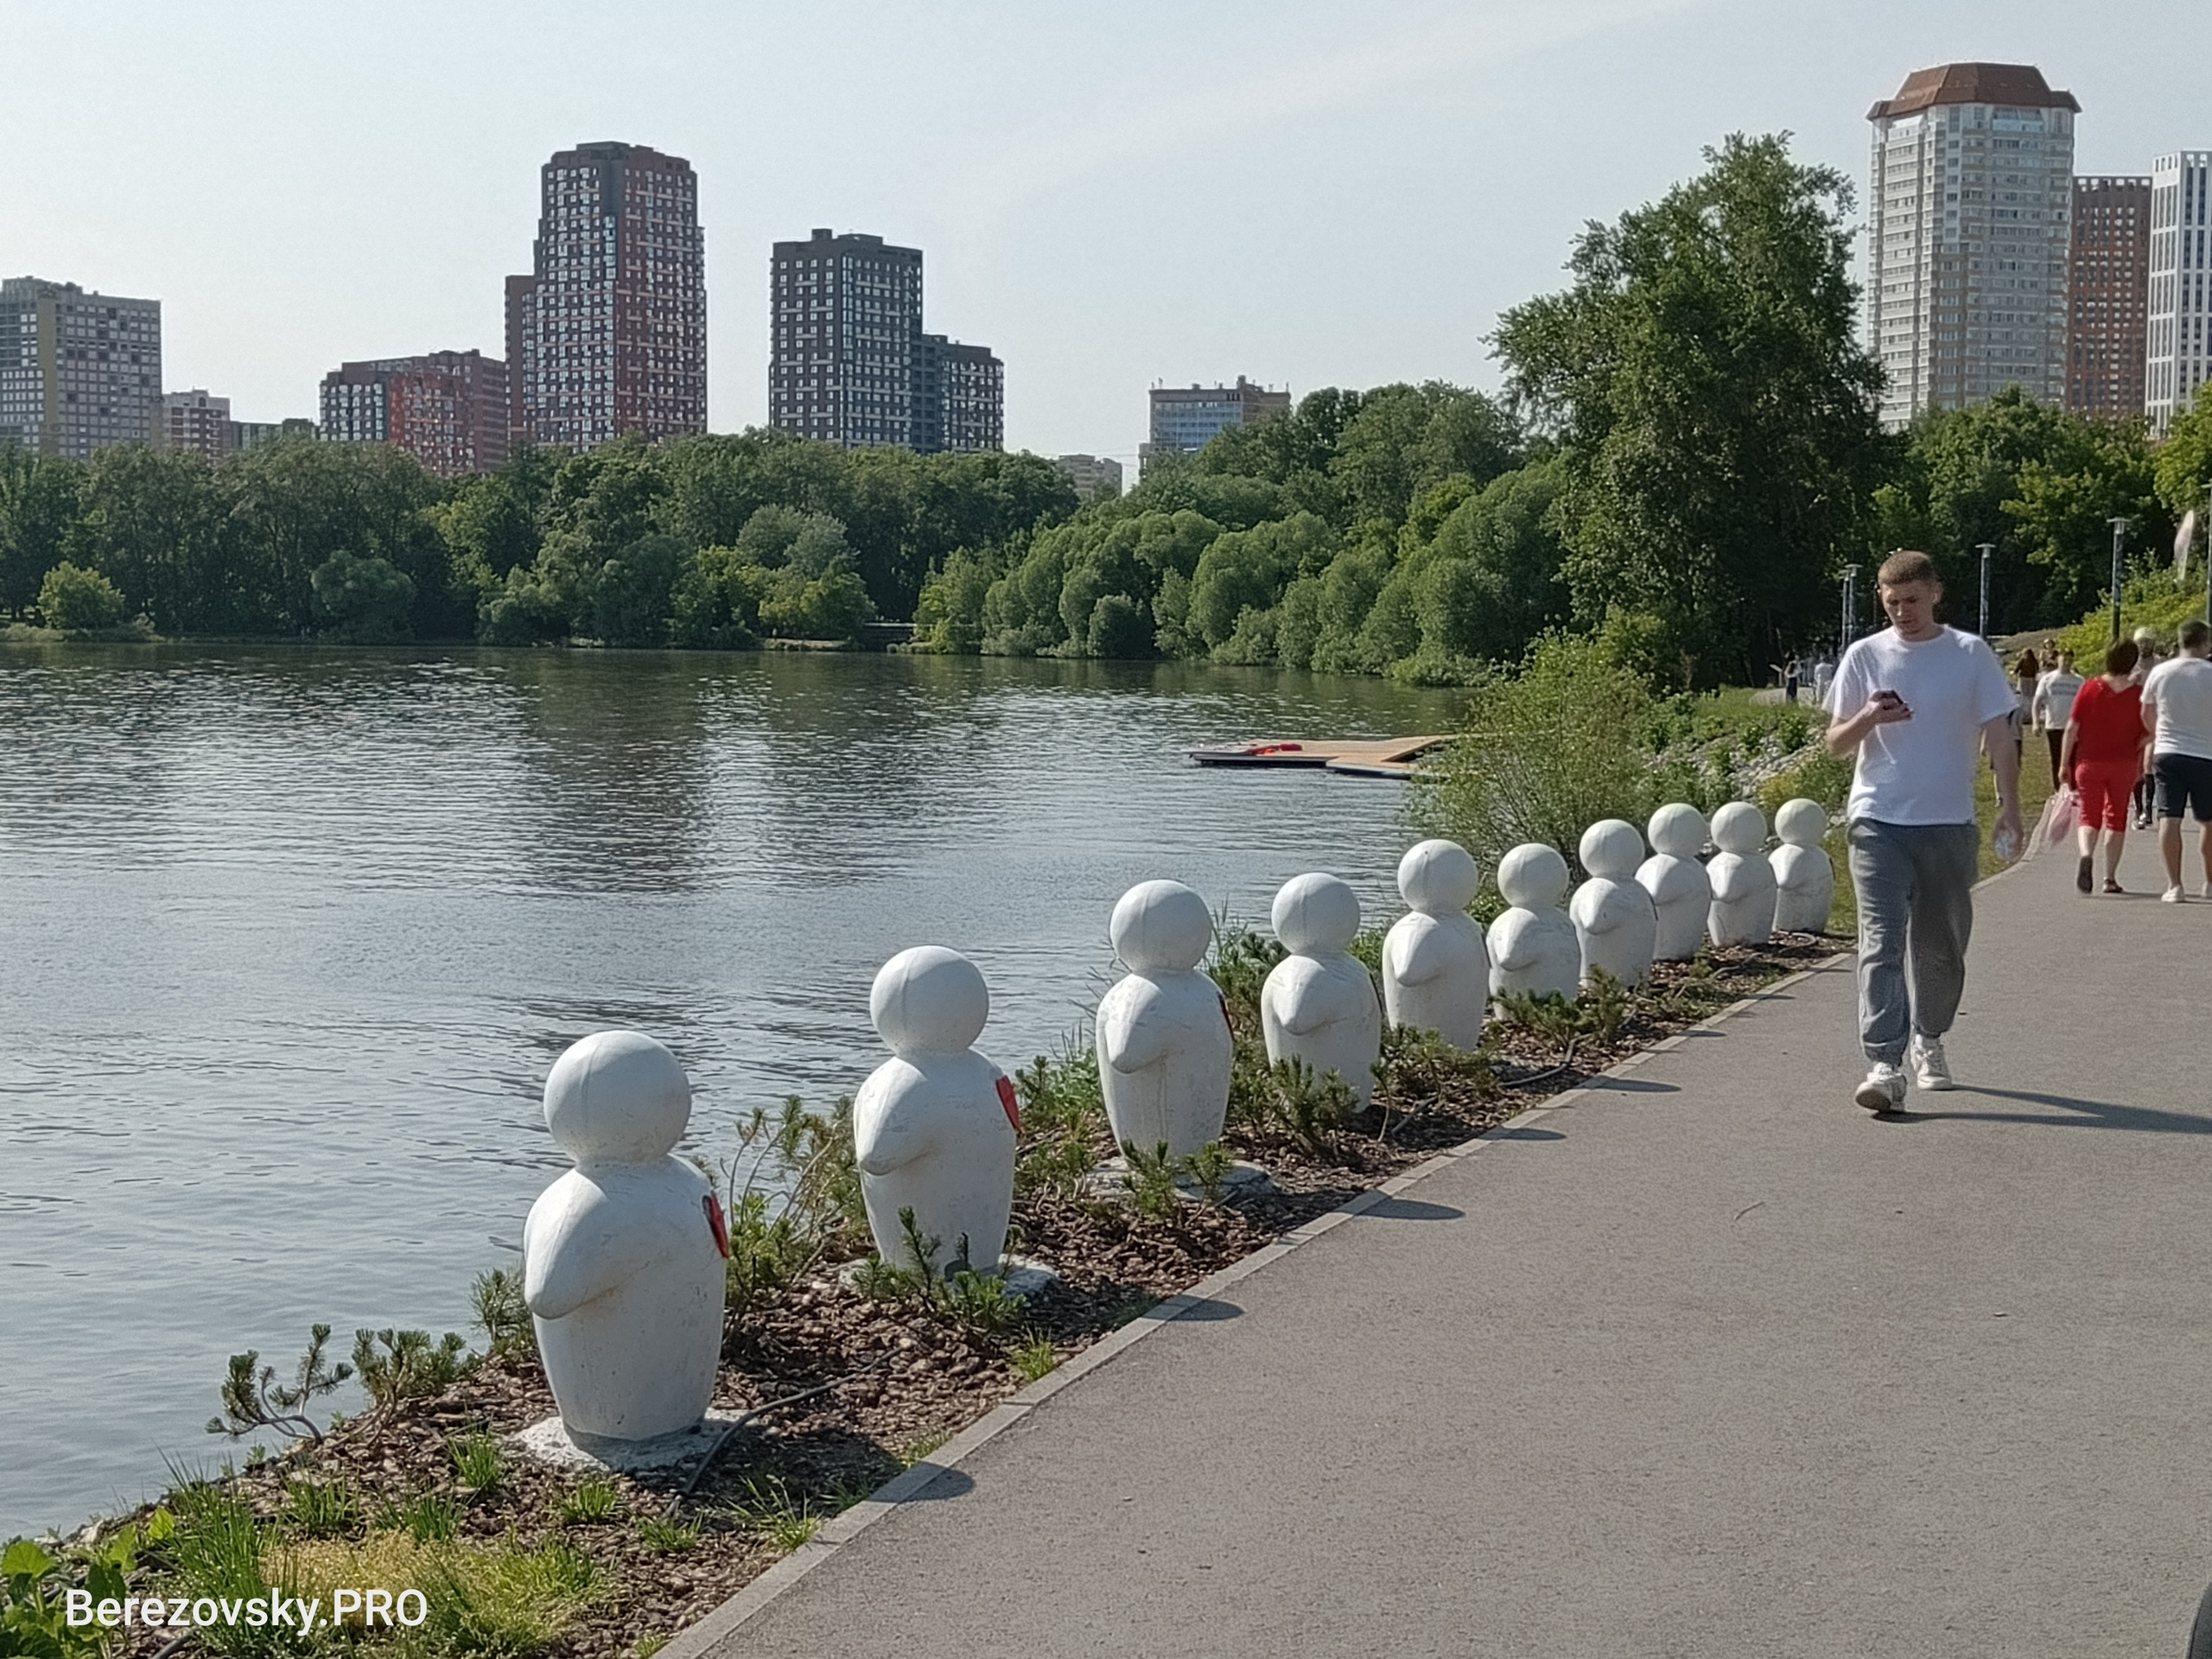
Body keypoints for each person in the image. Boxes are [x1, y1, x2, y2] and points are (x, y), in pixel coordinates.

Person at [1824, 550, 2022, 1115]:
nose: (1902, 612)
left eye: (1912, 600)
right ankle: (1884, 1064)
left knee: (1941, 946)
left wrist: (2010, 807)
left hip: (1947, 823)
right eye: (1892, 603)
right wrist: (1868, 718)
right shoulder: (1865, 655)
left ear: (1935, 593)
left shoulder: (1969, 654)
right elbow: (1835, 743)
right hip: (1877, 820)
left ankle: (1928, 1037)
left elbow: (2001, 736)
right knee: (1881, 941)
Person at [2057, 639, 2146, 895]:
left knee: (2089, 815)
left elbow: (2072, 728)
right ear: (2133, 662)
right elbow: (2150, 728)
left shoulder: (2090, 688)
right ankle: (2110, 878)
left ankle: (2086, 855)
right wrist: (2142, 745)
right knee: (2116, 818)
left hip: (2089, 762)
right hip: (2124, 764)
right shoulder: (2139, 695)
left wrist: (2064, 763)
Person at [2139, 618, 2212, 902]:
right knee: (2208, 821)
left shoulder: (2160, 672)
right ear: (2205, 643)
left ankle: (2175, 885)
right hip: (2206, 754)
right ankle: (2209, 882)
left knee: (2169, 817)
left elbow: (2146, 712)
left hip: (2168, 751)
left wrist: (2158, 733)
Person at [2031, 646, 2084, 790]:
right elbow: (2037, 702)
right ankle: (2058, 789)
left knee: (2073, 759)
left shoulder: (2079, 681)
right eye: (2064, 659)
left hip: (2072, 726)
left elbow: (2085, 704)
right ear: (2057, 660)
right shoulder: (2047, 679)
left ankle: (2073, 789)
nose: (2067, 662)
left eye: (2069, 659)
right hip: (2054, 725)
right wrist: (2036, 722)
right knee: (2056, 759)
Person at [2130, 627, 2162, 829]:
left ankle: (2149, 810)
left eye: (2148, 642)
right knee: (2136, 768)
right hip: (2134, 719)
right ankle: (2138, 808)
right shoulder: (2132, 665)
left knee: (2148, 764)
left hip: (2153, 718)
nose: (2145, 646)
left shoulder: (2159, 665)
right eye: (2141, 642)